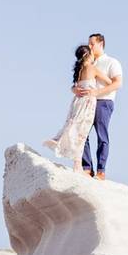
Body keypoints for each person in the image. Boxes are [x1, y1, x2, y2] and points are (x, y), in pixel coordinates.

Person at [43, 45, 115, 174]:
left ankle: (59, 140)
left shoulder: (80, 70)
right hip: (87, 102)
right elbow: (110, 82)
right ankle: (77, 165)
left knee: (73, 125)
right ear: (88, 55)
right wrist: (97, 90)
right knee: (81, 133)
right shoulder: (92, 68)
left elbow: (74, 86)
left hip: (77, 102)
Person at [73, 33, 123, 180]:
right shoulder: (88, 62)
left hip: (103, 101)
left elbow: (117, 83)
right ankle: (87, 168)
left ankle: (101, 171)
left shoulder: (111, 62)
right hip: (86, 103)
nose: (89, 46)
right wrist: (75, 89)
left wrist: (97, 92)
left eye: (92, 44)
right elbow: (77, 81)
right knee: (83, 134)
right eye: (89, 44)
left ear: (101, 44)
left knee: (102, 135)